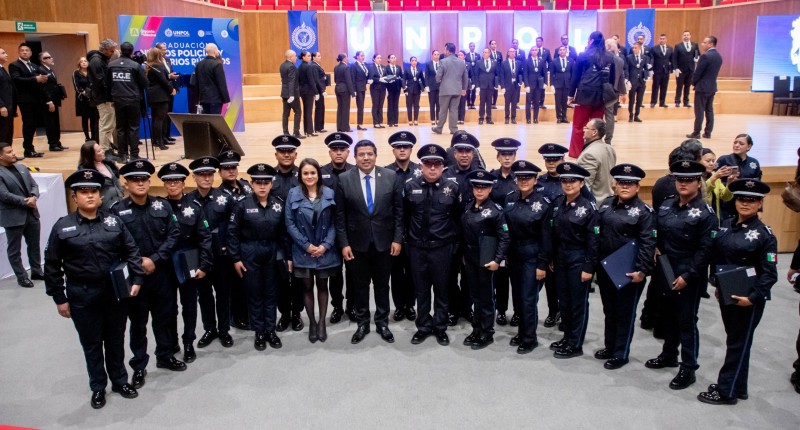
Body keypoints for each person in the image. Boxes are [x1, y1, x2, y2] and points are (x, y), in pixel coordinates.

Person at [44, 169, 143, 409]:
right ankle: (98, 386)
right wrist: (60, 297)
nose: (89, 196)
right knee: (91, 343)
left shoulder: (114, 220)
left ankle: (119, 380)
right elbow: (52, 265)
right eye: (83, 192)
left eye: (94, 191)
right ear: (75, 197)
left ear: (100, 196)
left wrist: (137, 279)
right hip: (82, 294)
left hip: (114, 292)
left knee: (115, 339)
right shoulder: (62, 227)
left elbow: (132, 251)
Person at [697, 179, 777, 405]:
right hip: (728, 293)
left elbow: (770, 274)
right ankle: (738, 386)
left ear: (760, 203)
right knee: (738, 341)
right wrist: (717, 284)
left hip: (748, 298)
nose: (745, 203)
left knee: (737, 344)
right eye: (742, 198)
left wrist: (752, 298)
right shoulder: (726, 226)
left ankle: (726, 391)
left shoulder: (764, 235)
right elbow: (719, 258)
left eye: (752, 200)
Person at [111, 160, 183, 391]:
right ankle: (139, 365)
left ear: (150, 182)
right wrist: (139, 262)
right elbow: (115, 244)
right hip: (135, 278)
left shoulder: (162, 207)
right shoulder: (117, 211)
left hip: (162, 274)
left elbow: (174, 235)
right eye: (135, 179)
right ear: (126, 183)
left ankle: (165, 355)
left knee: (165, 317)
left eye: (144, 179)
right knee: (138, 323)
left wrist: (156, 259)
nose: (140, 183)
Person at [645, 160, 716, 391]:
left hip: (689, 271)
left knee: (686, 321)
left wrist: (688, 275)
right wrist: (655, 247)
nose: (683, 184)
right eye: (679, 179)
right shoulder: (666, 205)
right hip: (665, 267)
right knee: (666, 316)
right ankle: (668, 354)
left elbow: (705, 251)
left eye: (689, 180)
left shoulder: (705, 214)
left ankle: (689, 367)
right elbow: (657, 232)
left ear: (698, 182)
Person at [335, 140, 403, 344]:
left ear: (376, 156)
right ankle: (362, 322)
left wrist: (397, 239)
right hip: (356, 245)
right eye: (361, 154)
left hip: (384, 243)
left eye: (370, 154)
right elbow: (340, 216)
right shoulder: (344, 179)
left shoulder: (391, 177)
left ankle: (382, 322)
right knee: (359, 286)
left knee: (383, 285)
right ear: (355, 157)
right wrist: (344, 243)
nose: (366, 158)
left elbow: (399, 212)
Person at [594, 164, 657, 370]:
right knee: (609, 310)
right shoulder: (606, 204)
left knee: (625, 313)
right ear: (615, 185)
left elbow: (648, 243)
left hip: (629, 271)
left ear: (638, 187)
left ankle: (621, 353)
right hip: (606, 268)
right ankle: (610, 346)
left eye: (629, 184)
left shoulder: (644, 212)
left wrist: (641, 270)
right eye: (621, 183)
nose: (624, 187)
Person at [405, 144, 461, 346]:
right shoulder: (410, 186)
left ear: (443, 166)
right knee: (421, 290)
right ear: (421, 165)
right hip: (417, 248)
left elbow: (457, 218)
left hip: (442, 248)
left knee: (441, 289)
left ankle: (440, 327)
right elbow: (405, 216)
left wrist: (454, 245)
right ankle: (423, 326)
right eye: (428, 164)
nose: (432, 168)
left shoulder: (452, 188)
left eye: (436, 164)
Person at [157, 162, 213, 363]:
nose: (173, 185)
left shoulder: (194, 207)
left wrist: (204, 265)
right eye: (168, 181)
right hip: (166, 264)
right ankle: (172, 343)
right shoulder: (158, 207)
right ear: (164, 184)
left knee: (189, 304)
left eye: (177, 181)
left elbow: (205, 238)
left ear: (183, 183)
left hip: (189, 260)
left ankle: (188, 342)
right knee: (168, 307)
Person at [229, 163, 287, 351]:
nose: (262, 186)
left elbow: (284, 233)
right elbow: (232, 232)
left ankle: (271, 330)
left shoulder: (278, 204)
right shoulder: (242, 205)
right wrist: (236, 258)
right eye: (258, 182)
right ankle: (259, 331)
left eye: (266, 182)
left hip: (271, 251)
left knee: (271, 293)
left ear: (271, 184)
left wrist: (285, 255)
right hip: (249, 251)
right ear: (252, 184)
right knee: (254, 293)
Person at [548, 162, 600, 359]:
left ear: (581, 183)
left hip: (579, 259)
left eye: (573, 181)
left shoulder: (588, 208)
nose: (568, 184)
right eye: (565, 180)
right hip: (561, 259)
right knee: (565, 302)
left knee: (578, 304)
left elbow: (593, 241)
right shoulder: (558, 203)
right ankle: (567, 337)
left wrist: (589, 267)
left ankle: (575, 343)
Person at [285, 158, 338, 343]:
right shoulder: (293, 194)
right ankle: (312, 323)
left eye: (313, 172)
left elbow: (334, 223)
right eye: (305, 173)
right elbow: (289, 223)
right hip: (303, 250)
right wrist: (306, 245)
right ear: (300, 175)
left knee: (323, 287)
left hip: (325, 251)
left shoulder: (330, 193)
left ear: (318, 174)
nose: (309, 176)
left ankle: (322, 322)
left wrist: (326, 245)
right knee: (307, 287)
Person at [185, 156, 234, 350]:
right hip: (199, 258)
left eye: (210, 174)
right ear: (194, 177)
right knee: (204, 295)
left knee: (223, 294)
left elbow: (232, 227)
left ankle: (224, 329)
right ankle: (209, 328)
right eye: (202, 175)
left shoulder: (224, 198)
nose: (206, 178)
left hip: (221, 255)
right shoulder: (187, 200)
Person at [504, 160, 551, 353]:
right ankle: (522, 332)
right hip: (514, 255)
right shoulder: (510, 198)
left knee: (528, 298)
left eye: (528, 178)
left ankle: (530, 337)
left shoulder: (543, 204)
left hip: (533, 255)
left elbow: (546, 237)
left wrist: (542, 263)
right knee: (517, 297)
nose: (523, 181)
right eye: (520, 177)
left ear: (535, 179)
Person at [460, 170, 510, 350]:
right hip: (471, 256)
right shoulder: (468, 206)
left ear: (490, 188)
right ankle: (476, 328)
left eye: (484, 187)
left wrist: (498, 260)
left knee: (487, 297)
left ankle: (487, 332)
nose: (480, 190)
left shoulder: (496, 211)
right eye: (477, 186)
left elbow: (504, 238)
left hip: (487, 258)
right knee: (475, 296)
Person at [269, 135, 306, 330]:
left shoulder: (303, 176)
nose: (286, 154)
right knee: (280, 278)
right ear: (276, 154)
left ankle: (297, 313)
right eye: (282, 151)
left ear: (295, 154)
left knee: (298, 277)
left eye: (290, 151)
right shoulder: (268, 177)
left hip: (299, 235)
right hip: (276, 236)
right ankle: (284, 313)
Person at [215, 151, 255, 331]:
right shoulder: (219, 195)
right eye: (226, 168)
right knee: (234, 285)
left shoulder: (246, 186)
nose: (231, 171)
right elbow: (223, 226)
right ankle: (236, 317)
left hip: (249, 243)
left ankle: (247, 314)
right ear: (220, 172)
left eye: (233, 167)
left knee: (247, 283)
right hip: (232, 246)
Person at [320, 133, 356, 323]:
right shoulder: (320, 173)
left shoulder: (355, 171)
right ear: (330, 152)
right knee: (334, 273)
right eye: (335, 150)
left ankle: (351, 305)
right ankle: (337, 307)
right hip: (328, 232)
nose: (339, 153)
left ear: (348, 152)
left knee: (352, 272)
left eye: (342, 150)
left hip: (351, 231)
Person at [384, 131, 420, 322]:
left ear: (411, 149)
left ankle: (410, 305)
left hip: (415, 232)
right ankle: (399, 306)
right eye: (399, 147)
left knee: (413, 272)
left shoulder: (420, 171)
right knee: (396, 273)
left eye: (405, 147)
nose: (402, 150)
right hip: (393, 233)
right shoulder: (386, 173)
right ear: (393, 150)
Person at [536, 144, 570, 328]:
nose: (550, 163)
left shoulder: (570, 181)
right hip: (545, 239)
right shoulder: (539, 182)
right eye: (547, 160)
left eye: (554, 159)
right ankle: (552, 311)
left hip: (565, 239)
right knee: (549, 281)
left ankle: (565, 314)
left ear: (562, 160)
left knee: (564, 282)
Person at [0, 141, 42, 288]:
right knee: (14, 249)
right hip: (13, 216)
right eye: (9, 152)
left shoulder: (22, 167)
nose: (13, 154)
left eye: (12, 151)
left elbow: (34, 185)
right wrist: (26, 201)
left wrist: (34, 197)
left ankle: (36, 270)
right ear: (0, 156)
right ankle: (21, 276)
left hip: (31, 213)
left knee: (34, 244)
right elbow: (4, 195)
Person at [567, 32, 615, 159]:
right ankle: (594, 153)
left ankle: (576, 153)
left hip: (584, 95)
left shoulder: (584, 55)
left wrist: (571, 95)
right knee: (596, 127)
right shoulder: (610, 56)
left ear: (591, 41)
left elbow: (575, 77)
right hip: (601, 96)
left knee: (579, 126)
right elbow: (612, 78)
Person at [489, 138, 521, 326]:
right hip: (499, 236)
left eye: (510, 154)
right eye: (504, 154)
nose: (507, 158)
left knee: (517, 278)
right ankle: (501, 310)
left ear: (515, 156)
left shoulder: (522, 177)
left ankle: (518, 312)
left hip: (517, 236)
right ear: (498, 156)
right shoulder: (491, 178)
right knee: (500, 278)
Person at [108, 42, 147, 162]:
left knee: (120, 128)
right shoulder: (135, 66)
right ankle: (134, 155)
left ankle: (122, 155)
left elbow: (107, 83)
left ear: (120, 50)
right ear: (131, 51)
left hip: (118, 99)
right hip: (133, 99)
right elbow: (145, 83)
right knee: (133, 127)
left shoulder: (111, 65)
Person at [8, 43, 47, 158]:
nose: (25, 52)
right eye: (22, 50)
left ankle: (31, 147)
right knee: (28, 124)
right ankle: (28, 149)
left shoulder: (34, 65)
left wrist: (42, 80)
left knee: (34, 124)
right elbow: (16, 79)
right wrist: (35, 79)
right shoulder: (14, 65)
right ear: (19, 52)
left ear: (31, 52)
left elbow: (37, 80)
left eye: (27, 50)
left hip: (36, 98)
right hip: (25, 99)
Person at [715, 134, 762, 221]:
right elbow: (715, 181)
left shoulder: (754, 163)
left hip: (746, 205)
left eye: (741, 143)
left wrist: (759, 210)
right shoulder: (723, 160)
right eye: (735, 142)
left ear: (749, 146)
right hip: (726, 205)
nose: (736, 145)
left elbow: (758, 188)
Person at [87, 39, 118, 160]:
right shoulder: (96, 61)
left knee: (109, 124)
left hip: (105, 97)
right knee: (106, 125)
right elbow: (100, 81)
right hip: (103, 98)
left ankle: (107, 148)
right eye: (111, 51)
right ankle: (104, 150)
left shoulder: (101, 59)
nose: (113, 53)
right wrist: (111, 91)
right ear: (104, 50)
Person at [687, 36, 722, 139]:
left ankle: (696, 132)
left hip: (702, 87)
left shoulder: (705, 56)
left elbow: (698, 72)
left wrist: (693, 82)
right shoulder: (718, 56)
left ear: (710, 44)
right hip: (712, 87)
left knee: (699, 110)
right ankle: (708, 132)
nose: (702, 44)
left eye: (705, 42)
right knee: (709, 110)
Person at [576, 119, 616, 203]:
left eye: (586, 128)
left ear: (594, 132)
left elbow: (584, 185)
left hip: (595, 204)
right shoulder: (610, 148)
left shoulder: (589, 154)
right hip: (609, 201)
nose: (583, 130)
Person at [77, 140, 123, 211]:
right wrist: (98, 202)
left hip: (118, 202)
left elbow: (115, 180)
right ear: (91, 155)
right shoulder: (86, 172)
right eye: (99, 151)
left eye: (101, 149)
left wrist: (121, 192)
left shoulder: (108, 164)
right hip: (103, 207)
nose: (103, 151)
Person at [433, 43, 468, 135]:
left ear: (448, 51)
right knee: (454, 110)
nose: (444, 51)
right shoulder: (461, 62)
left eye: (445, 50)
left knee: (443, 110)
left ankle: (439, 128)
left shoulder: (443, 61)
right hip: (457, 90)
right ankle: (453, 129)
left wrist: (439, 79)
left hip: (445, 90)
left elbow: (438, 77)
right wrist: (464, 88)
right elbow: (465, 77)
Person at [37, 52, 67, 152]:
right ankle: (52, 144)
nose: (50, 58)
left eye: (50, 56)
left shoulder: (50, 69)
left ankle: (57, 142)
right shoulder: (41, 70)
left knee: (55, 121)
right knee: (50, 122)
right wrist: (49, 101)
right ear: (42, 60)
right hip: (48, 100)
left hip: (55, 98)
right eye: (47, 57)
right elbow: (43, 88)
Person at [144, 49, 174, 151]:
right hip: (160, 95)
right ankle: (160, 142)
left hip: (151, 95)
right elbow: (163, 81)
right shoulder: (158, 65)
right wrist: (171, 90)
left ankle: (155, 141)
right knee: (160, 119)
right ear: (157, 55)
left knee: (155, 118)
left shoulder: (148, 66)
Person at [700, 148, 735, 224]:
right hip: (700, 219)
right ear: (698, 161)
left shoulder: (715, 177)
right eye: (708, 161)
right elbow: (701, 192)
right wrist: (714, 177)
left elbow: (726, 197)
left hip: (715, 220)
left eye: (713, 161)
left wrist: (730, 183)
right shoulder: (695, 177)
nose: (712, 163)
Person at [194, 43, 230, 115]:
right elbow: (221, 84)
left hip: (203, 99)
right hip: (215, 100)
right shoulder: (217, 64)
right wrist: (227, 100)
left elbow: (196, 83)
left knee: (206, 122)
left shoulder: (199, 64)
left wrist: (198, 99)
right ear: (215, 51)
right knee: (215, 122)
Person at [154, 42, 178, 145]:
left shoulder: (167, 60)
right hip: (161, 91)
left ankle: (167, 135)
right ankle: (160, 138)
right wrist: (169, 76)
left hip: (169, 89)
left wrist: (172, 76)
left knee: (168, 113)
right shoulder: (156, 62)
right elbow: (161, 77)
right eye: (163, 49)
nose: (165, 50)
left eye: (165, 48)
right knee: (161, 116)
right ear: (158, 50)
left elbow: (168, 73)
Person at [604, 39, 627, 144]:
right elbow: (621, 77)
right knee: (610, 116)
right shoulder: (620, 60)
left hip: (601, 90)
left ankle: (596, 138)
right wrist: (623, 92)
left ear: (608, 46)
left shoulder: (602, 57)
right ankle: (608, 140)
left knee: (597, 115)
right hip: (613, 92)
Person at [73, 56, 99, 142]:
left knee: (93, 118)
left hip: (92, 98)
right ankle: (87, 137)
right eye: (82, 61)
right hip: (82, 99)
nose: (84, 63)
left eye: (85, 61)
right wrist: (86, 94)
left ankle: (94, 136)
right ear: (79, 64)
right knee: (85, 118)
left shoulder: (91, 72)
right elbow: (76, 86)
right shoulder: (76, 73)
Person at [280, 50, 303, 138]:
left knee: (285, 113)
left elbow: (284, 80)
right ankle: (296, 132)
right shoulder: (291, 67)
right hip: (292, 94)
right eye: (295, 56)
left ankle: (285, 132)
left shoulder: (282, 65)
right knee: (298, 112)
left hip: (284, 93)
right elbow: (291, 81)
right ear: (290, 57)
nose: (296, 58)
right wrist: (292, 95)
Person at [673, 31, 700, 108]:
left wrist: (696, 58)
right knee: (679, 86)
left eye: (687, 35)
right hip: (680, 70)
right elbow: (674, 58)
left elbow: (697, 54)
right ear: (682, 36)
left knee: (687, 86)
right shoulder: (678, 46)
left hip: (690, 69)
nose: (686, 36)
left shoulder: (694, 45)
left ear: (690, 36)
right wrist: (676, 68)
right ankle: (677, 101)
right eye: (684, 35)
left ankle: (686, 101)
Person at [298, 51, 322, 137]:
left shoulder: (300, 66)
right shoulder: (308, 67)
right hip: (308, 91)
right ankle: (309, 131)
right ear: (303, 57)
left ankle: (306, 130)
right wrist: (316, 92)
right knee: (308, 111)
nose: (310, 57)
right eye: (308, 56)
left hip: (302, 90)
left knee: (305, 110)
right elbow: (311, 81)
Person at [474, 48, 499, 125]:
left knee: (489, 102)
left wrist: (496, 84)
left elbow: (497, 74)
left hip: (490, 85)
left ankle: (489, 118)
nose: (485, 54)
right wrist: (477, 86)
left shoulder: (494, 62)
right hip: (482, 85)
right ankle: (481, 117)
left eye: (486, 52)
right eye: (484, 52)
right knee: (482, 102)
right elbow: (476, 75)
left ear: (489, 54)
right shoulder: (478, 62)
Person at [498, 48, 522, 125]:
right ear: (508, 53)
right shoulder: (504, 63)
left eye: (514, 52)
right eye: (511, 52)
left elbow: (521, 74)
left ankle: (513, 118)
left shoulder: (518, 62)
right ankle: (506, 117)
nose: (512, 53)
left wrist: (521, 82)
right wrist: (502, 87)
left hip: (516, 86)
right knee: (507, 103)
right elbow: (501, 75)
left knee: (514, 103)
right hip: (507, 86)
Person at [550, 46, 573, 124]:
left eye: (564, 50)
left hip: (567, 84)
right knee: (558, 101)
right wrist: (552, 84)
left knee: (564, 101)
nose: (562, 51)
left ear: (566, 51)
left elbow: (573, 73)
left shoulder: (571, 60)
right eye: (560, 50)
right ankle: (559, 117)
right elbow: (552, 74)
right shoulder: (554, 61)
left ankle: (564, 117)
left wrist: (572, 84)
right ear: (558, 52)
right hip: (558, 84)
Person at [524, 46, 547, 124]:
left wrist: (545, 83)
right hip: (530, 84)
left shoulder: (542, 60)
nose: (534, 51)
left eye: (535, 50)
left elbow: (545, 73)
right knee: (528, 102)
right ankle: (528, 118)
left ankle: (535, 118)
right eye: (532, 50)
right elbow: (525, 74)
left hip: (539, 84)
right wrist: (526, 85)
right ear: (530, 52)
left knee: (537, 102)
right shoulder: (527, 61)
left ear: (537, 51)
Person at [626, 43, 647, 123]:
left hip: (641, 81)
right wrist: (627, 79)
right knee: (632, 99)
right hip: (632, 80)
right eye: (633, 48)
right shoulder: (629, 57)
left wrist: (646, 75)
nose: (634, 49)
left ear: (639, 48)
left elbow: (645, 68)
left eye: (636, 48)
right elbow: (627, 69)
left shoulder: (644, 57)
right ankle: (630, 115)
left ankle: (636, 115)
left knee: (639, 99)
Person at [650, 34, 673, 108]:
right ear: (658, 40)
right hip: (657, 71)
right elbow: (651, 59)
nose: (662, 40)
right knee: (655, 87)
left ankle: (662, 102)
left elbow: (672, 60)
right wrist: (651, 69)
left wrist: (671, 69)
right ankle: (653, 102)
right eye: (660, 39)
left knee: (664, 87)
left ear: (666, 40)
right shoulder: (654, 48)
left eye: (663, 39)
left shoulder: (670, 48)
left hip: (666, 71)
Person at [333, 53, 355, 132]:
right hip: (345, 90)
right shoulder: (346, 67)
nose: (348, 59)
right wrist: (352, 92)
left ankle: (339, 127)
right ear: (344, 58)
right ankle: (345, 127)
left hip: (337, 88)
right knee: (345, 108)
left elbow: (335, 79)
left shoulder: (336, 67)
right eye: (347, 57)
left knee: (340, 108)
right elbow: (348, 81)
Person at [350, 51, 369, 131]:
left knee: (362, 106)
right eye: (361, 55)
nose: (363, 57)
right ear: (357, 56)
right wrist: (354, 90)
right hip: (357, 89)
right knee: (360, 106)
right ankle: (360, 124)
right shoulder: (354, 66)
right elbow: (353, 78)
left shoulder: (364, 65)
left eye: (363, 55)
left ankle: (360, 123)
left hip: (363, 88)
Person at [403, 56, 424, 126]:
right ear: (410, 62)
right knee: (409, 105)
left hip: (417, 90)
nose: (414, 62)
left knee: (416, 105)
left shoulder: (419, 69)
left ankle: (415, 120)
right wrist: (404, 88)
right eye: (413, 60)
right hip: (409, 90)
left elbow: (423, 79)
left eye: (415, 60)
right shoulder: (406, 70)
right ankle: (410, 120)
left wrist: (424, 87)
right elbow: (403, 80)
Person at [0, 47, 14, 146]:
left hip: (9, 105)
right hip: (3, 106)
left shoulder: (2, 68)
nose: (6, 55)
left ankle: (9, 154)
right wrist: (1, 105)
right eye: (3, 53)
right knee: (2, 133)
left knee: (8, 132)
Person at [368, 53, 387, 129]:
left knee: (381, 105)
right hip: (375, 88)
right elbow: (371, 77)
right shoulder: (371, 67)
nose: (379, 59)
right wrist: (379, 79)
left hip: (382, 88)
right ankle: (375, 122)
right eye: (378, 58)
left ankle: (380, 121)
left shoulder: (383, 67)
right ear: (374, 59)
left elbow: (385, 76)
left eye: (380, 58)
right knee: (375, 105)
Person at [311, 52, 328, 133]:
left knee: (321, 107)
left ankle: (320, 126)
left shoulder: (317, 65)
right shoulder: (314, 66)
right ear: (313, 58)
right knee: (319, 108)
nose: (320, 57)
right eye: (318, 56)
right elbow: (316, 79)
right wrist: (322, 90)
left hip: (320, 89)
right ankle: (318, 127)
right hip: (319, 90)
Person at [385, 54, 402, 127]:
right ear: (388, 60)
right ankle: (390, 121)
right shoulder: (386, 68)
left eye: (394, 57)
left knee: (396, 104)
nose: (393, 59)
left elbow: (401, 77)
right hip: (390, 88)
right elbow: (385, 77)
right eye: (392, 58)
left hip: (397, 88)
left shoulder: (398, 67)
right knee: (390, 105)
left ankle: (396, 121)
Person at [534, 37, 552, 109]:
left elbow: (550, 61)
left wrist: (548, 70)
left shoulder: (546, 51)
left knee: (542, 88)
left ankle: (541, 103)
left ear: (542, 42)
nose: (538, 42)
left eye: (539, 41)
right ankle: (534, 103)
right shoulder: (533, 50)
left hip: (543, 72)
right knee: (535, 88)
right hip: (534, 72)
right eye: (537, 41)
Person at [425, 50, 441, 126]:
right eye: (435, 54)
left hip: (440, 87)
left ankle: (438, 119)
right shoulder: (428, 64)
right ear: (432, 55)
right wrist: (427, 85)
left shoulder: (442, 63)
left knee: (439, 104)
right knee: (432, 104)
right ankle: (432, 119)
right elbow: (427, 76)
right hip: (431, 87)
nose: (436, 56)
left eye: (438, 54)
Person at [456, 50, 469, 125]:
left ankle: (462, 119)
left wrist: (465, 87)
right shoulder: (455, 64)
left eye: (461, 55)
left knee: (463, 103)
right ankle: (457, 118)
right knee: (457, 103)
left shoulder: (468, 64)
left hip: (464, 86)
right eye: (458, 55)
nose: (459, 56)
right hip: (456, 86)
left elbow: (470, 75)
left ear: (464, 56)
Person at [466, 42, 479, 109]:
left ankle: (473, 103)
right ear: (469, 47)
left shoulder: (478, 55)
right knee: (468, 90)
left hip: (475, 75)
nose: (472, 47)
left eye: (473, 46)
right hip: (468, 75)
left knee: (474, 90)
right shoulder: (467, 55)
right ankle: (468, 103)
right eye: (471, 46)